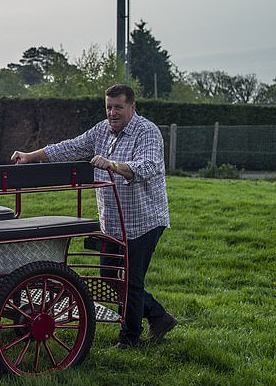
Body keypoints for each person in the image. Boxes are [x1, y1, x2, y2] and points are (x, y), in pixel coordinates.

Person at [10, 84, 176, 348]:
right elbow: (70, 147)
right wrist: (31, 156)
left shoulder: (147, 132)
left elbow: (149, 166)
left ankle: (129, 339)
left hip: (143, 220)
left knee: (131, 280)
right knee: (109, 274)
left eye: (118, 107)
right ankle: (158, 316)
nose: (112, 112)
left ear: (132, 107)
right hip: (113, 222)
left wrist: (115, 165)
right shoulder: (101, 130)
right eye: (109, 107)